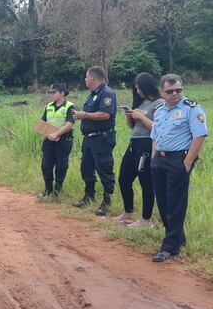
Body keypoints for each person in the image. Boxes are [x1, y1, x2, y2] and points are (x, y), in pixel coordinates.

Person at [150, 74, 208, 262]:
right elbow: (155, 136)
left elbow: (200, 136)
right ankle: (178, 238)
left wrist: (187, 162)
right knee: (163, 202)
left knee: (175, 203)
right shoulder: (159, 110)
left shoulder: (191, 109)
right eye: (170, 91)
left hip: (179, 159)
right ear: (161, 92)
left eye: (178, 90)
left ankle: (170, 247)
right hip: (160, 159)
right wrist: (153, 158)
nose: (175, 94)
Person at [113, 73, 165, 228]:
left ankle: (145, 219)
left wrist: (142, 118)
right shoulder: (141, 103)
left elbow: (159, 127)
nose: (138, 91)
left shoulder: (159, 103)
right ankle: (127, 212)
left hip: (147, 144)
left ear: (147, 86)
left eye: (139, 88)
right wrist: (130, 116)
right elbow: (133, 127)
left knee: (146, 182)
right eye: (135, 88)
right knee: (124, 178)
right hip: (133, 143)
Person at [72, 66, 117, 216]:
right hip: (89, 138)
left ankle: (107, 201)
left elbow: (105, 114)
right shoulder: (92, 95)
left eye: (86, 77)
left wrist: (84, 115)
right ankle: (88, 196)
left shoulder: (107, 93)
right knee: (86, 168)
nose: (85, 80)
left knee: (104, 168)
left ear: (93, 77)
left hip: (102, 138)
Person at [38, 83, 76, 199]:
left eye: (54, 92)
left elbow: (70, 124)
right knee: (46, 166)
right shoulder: (49, 106)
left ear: (62, 93)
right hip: (49, 139)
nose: (51, 95)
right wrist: (49, 134)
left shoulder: (70, 106)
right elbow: (42, 123)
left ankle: (57, 192)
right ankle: (48, 190)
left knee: (61, 166)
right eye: (51, 92)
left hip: (63, 140)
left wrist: (57, 134)